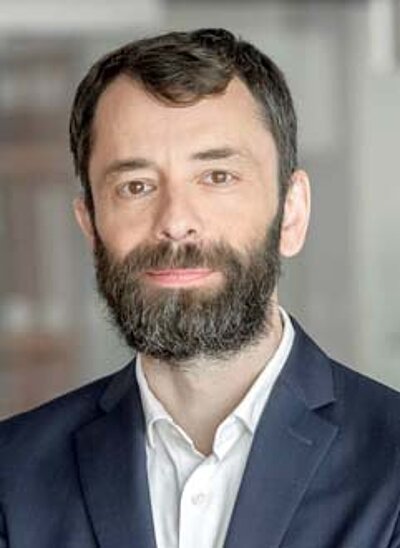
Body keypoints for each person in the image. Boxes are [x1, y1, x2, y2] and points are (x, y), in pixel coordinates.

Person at [0, 27, 400, 548]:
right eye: (136, 186)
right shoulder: (12, 476)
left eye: (217, 177)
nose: (175, 221)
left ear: (291, 213)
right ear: (91, 228)